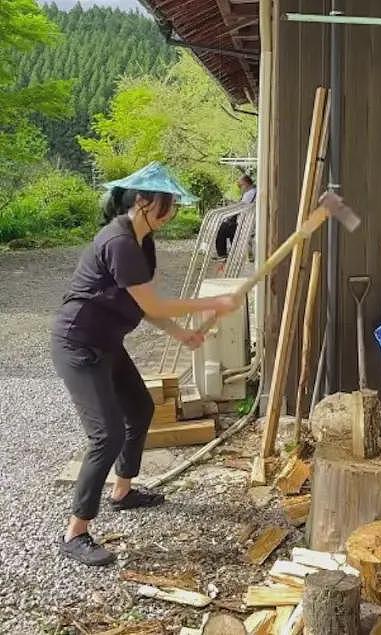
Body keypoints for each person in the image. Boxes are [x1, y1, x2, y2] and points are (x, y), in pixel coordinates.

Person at [51, 162, 238, 567]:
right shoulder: (118, 241)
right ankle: (75, 532)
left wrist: (181, 334)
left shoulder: (142, 240)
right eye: (168, 205)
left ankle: (123, 492)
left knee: (140, 408)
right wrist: (212, 303)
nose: (171, 214)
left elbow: (143, 306)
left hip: (107, 342)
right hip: (79, 344)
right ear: (144, 202)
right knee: (107, 435)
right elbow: (154, 303)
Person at [215, 174, 257, 259]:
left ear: (245, 184)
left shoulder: (251, 193)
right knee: (227, 226)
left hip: (246, 221)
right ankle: (231, 253)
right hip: (244, 220)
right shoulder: (251, 192)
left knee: (223, 228)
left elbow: (241, 207)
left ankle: (222, 254)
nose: (240, 188)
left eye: (240, 185)